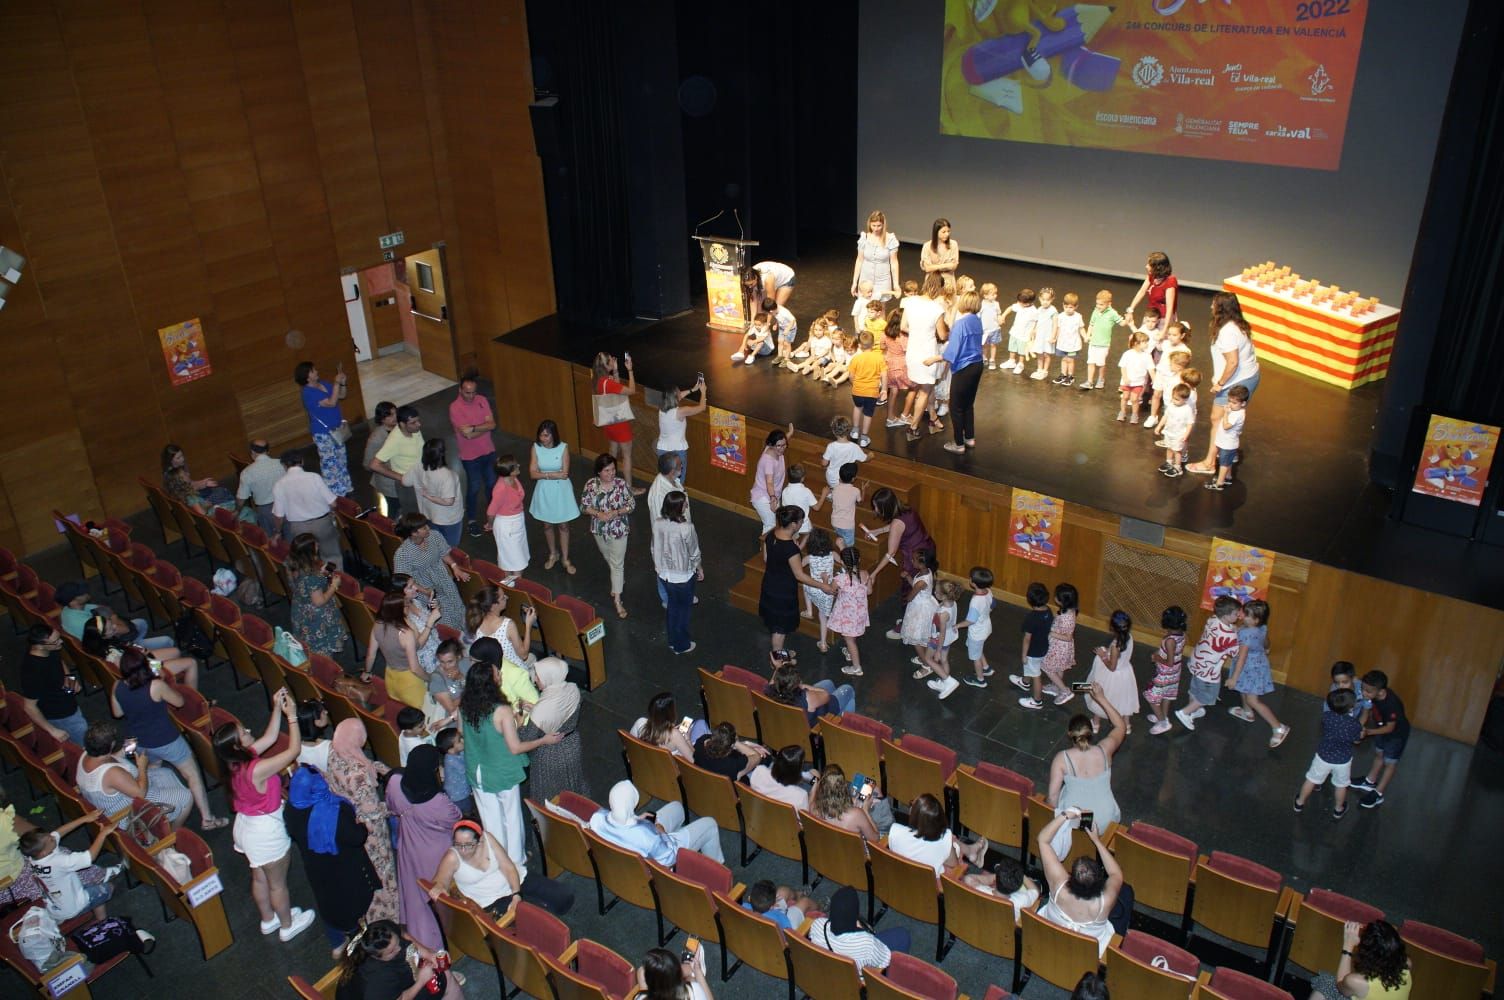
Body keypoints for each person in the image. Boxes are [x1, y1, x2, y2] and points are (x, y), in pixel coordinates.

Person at [213, 687, 317, 942]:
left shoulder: (234, 761)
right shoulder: (255, 768)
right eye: (244, 733)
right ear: (238, 744)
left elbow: (270, 737)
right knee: (277, 883)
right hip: (265, 832)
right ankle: (287, 925)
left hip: (246, 826)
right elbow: (292, 752)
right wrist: (291, 716)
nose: (249, 731)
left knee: (259, 876)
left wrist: (276, 709)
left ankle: (268, 919)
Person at [109, 649, 224, 831]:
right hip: (165, 739)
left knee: (153, 769)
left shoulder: (117, 686)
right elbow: (179, 702)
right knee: (192, 774)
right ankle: (207, 819)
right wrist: (157, 673)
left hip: (138, 742)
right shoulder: (155, 685)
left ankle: (161, 804)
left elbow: (117, 713)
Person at [460, 660, 562, 864]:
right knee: (511, 816)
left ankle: (496, 859)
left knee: (490, 820)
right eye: (498, 674)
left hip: (477, 769)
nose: (501, 676)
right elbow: (515, 747)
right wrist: (543, 740)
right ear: (491, 683)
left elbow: (461, 733)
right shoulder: (501, 710)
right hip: (502, 770)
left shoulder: (465, 706)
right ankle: (516, 860)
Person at [286, 766, 380, 958]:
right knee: (351, 905)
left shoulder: (291, 808)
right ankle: (359, 947)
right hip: (344, 868)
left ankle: (337, 943)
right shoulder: (332, 811)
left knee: (328, 902)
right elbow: (356, 837)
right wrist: (362, 826)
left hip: (316, 868)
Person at [384, 746, 461, 949]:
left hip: (409, 844)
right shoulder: (437, 801)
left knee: (415, 894)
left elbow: (392, 807)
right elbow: (455, 819)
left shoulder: (394, 783)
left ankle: (422, 941)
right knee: (438, 894)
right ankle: (446, 942)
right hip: (435, 850)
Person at [324, 719, 397, 922]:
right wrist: (395, 807)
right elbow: (373, 810)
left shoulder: (335, 751)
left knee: (367, 870)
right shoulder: (358, 774)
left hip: (348, 819)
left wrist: (376, 767)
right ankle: (388, 915)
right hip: (369, 829)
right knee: (381, 869)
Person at [428, 818, 575, 917]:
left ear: (480, 841)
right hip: (492, 899)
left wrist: (516, 894)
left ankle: (537, 906)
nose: (463, 850)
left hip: (516, 881)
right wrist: (439, 886)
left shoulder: (488, 838)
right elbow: (440, 881)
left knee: (565, 897)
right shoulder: (452, 857)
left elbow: (508, 867)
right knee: (542, 918)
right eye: (458, 844)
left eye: (468, 845)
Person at [1189, 291, 1261, 475]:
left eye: (1214, 304)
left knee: (1218, 420)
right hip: (1247, 376)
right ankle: (1228, 451)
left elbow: (1232, 362)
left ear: (1221, 308)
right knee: (1225, 418)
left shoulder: (1228, 331)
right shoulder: (1237, 325)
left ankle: (1209, 463)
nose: (1211, 307)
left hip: (1236, 380)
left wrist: (1220, 383)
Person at [1036, 810, 1125, 956]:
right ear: (1100, 881)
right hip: (1085, 953)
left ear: (1071, 877)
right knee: (1126, 893)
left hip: (1050, 938)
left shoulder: (1058, 884)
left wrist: (1065, 815)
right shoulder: (1106, 900)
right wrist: (1096, 840)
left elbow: (1043, 839)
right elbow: (1116, 874)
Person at [76, 719, 193, 828]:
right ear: (110, 746)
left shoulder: (86, 754)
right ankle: (172, 834)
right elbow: (141, 793)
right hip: (129, 811)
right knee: (186, 797)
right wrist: (141, 767)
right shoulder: (111, 773)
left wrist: (128, 746)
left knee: (166, 772)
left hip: (122, 793)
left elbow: (112, 758)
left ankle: (169, 813)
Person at [588, 778, 725, 864]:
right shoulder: (647, 835)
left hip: (630, 844)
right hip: (665, 850)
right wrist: (660, 831)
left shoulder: (597, 818)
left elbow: (622, 827)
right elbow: (670, 857)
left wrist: (636, 819)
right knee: (710, 824)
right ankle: (715, 869)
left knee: (677, 807)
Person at [760, 506, 837, 654]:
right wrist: (823, 586)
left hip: (769, 584)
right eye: (801, 521)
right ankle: (778, 657)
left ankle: (779, 652)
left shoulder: (771, 535)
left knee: (775, 624)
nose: (802, 523)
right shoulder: (791, 549)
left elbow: (766, 559)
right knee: (780, 629)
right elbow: (799, 575)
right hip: (783, 592)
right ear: (794, 524)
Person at [1047, 691, 1124, 836]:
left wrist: (1053, 825)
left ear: (1070, 735)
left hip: (1076, 821)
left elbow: (1052, 797)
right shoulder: (1104, 750)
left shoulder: (1062, 758)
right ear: (1090, 733)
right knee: (1089, 824)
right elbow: (1120, 727)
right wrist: (1101, 698)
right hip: (1105, 820)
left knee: (1062, 793)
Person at [19, 812, 119, 923]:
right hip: (74, 907)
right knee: (108, 888)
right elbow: (90, 857)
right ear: (44, 852)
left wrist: (85, 818)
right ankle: (99, 918)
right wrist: (103, 834)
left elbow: (58, 833)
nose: (53, 837)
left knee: (93, 885)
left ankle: (101, 919)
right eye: (51, 840)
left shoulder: (34, 857)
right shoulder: (58, 862)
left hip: (56, 905)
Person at [516, 657, 587, 803]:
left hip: (550, 755)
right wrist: (535, 708)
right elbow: (559, 711)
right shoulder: (574, 689)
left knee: (549, 792)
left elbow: (526, 739)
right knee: (572, 783)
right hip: (572, 743)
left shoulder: (542, 710)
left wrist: (520, 723)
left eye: (538, 677)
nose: (535, 679)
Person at [335, 918, 461, 1000]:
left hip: (395, 985)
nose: (400, 949)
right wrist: (421, 981)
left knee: (443, 972)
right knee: (443, 978)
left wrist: (429, 954)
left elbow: (403, 934)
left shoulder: (380, 930)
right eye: (391, 951)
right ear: (376, 956)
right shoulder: (378, 980)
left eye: (397, 943)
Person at [578, 453, 637, 619]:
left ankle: (618, 600)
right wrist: (598, 514)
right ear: (598, 472)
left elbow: (631, 504)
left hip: (618, 528)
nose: (611, 473)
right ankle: (617, 579)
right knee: (608, 557)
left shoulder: (621, 484)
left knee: (617, 563)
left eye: (613, 470)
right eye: (606, 470)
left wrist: (617, 512)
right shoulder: (591, 485)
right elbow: (583, 506)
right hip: (599, 530)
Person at [1225, 599, 1289, 746]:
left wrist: (1234, 678)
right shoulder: (1260, 627)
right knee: (1243, 688)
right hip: (1256, 664)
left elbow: (1242, 657)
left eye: (1246, 615)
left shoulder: (1247, 634)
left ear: (1256, 620)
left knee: (1252, 700)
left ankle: (1278, 727)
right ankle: (1247, 712)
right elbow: (1266, 641)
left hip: (1250, 668)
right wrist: (1267, 648)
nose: (1242, 615)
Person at [392, 512, 470, 630]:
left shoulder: (434, 536)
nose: (428, 528)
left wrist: (455, 567)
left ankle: (464, 635)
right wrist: (426, 591)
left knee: (457, 607)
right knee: (443, 619)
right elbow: (405, 580)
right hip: (425, 590)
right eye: (423, 528)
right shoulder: (402, 554)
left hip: (443, 580)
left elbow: (444, 553)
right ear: (414, 533)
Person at [807, 885, 910, 975]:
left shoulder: (817, 925)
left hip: (831, 973)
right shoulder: (866, 943)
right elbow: (884, 960)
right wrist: (861, 932)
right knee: (902, 936)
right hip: (858, 985)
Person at [1176, 595, 1243, 731]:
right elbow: (1236, 653)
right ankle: (1185, 713)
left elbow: (1226, 628)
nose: (1239, 617)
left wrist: (1233, 628)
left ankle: (1194, 710)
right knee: (1208, 696)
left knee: (1195, 689)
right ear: (1227, 615)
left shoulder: (1212, 619)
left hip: (1197, 661)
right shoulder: (1230, 637)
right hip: (1209, 671)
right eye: (1236, 614)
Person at [1294, 688, 1363, 820]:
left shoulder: (1327, 717)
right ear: (1351, 707)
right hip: (1343, 759)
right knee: (1341, 785)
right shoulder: (1354, 724)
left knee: (1311, 779)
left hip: (1324, 756)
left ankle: (1299, 803)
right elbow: (1356, 739)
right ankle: (1338, 809)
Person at [364, 588, 437, 709]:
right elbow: (414, 668)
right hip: (409, 682)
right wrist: (430, 679)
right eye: (407, 605)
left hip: (390, 677)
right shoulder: (405, 633)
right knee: (422, 713)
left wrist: (366, 672)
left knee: (400, 709)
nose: (409, 607)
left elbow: (371, 655)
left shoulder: (377, 624)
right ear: (400, 610)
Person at [83, 614, 198, 688]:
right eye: (110, 628)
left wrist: (140, 652)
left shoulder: (102, 644)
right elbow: (135, 670)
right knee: (191, 662)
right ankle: (190, 696)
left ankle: (174, 683)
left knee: (176, 652)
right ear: (103, 636)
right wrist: (157, 666)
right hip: (145, 669)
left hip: (140, 660)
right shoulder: (113, 657)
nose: (114, 626)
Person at [271, 451, 343, 569]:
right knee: (332, 556)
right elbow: (333, 503)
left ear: (284, 465)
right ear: (302, 461)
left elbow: (279, 515)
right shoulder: (314, 477)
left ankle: (316, 583)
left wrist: (277, 532)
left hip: (299, 528)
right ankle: (337, 583)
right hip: (322, 523)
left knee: (307, 560)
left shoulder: (279, 485)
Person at [862, 487, 936, 600]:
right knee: (926, 582)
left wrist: (874, 573)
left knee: (910, 588)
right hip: (928, 548)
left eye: (876, 507)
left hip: (915, 557)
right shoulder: (907, 509)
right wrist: (877, 531)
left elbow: (890, 553)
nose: (875, 510)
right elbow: (898, 527)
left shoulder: (897, 523)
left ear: (885, 508)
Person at [652, 490, 703, 656]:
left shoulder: (658, 522)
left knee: (673, 608)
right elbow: (694, 551)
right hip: (683, 575)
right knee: (683, 611)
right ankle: (681, 645)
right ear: (678, 507)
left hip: (664, 574)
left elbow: (654, 547)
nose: (687, 505)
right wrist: (699, 567)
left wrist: (658, 567)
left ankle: (673, 641)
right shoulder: (686, 528)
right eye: (684, 503)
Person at [448, 371, 498, 538]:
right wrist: (483, 426)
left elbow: (492, 424)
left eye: (473, 392)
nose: (471, 396)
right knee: (474, 487)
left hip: (488, 451)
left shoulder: (482, 400)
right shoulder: (455, 408)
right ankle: (471, 520)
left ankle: (492, 516)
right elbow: (466, 435)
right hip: (470, 457)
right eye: (467, 392)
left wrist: (475, 427)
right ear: (460, 390)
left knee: (492, 484)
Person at [900, 273, 950, 440]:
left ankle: (933, 418)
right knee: (925, 391)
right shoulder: (937, 309)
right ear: (939, 287)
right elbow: (942, 335)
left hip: (912, 351)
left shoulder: (910, 302)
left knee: (926, 387)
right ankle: (913, 428)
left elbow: (903, 326)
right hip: (927, 354)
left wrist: (918, 332)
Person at [1351, 670, 1410, 809]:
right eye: (1363, 689)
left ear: (1381, 691)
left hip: (1396, 736)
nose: (1364, 693)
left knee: (1390, 763)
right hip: (1380, 729)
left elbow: (1390, 728)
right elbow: (1367, 710)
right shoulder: (1372, 694)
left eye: (1368, 691)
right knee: (1379, 755)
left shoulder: (1392, 704)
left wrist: (1369, 732)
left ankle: (1378, 793)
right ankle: (1369, 781)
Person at [1309, 920, 1412, 1000]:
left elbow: (1340, 985)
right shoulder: (1406, 963)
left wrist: (1347, 946)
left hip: (1350, 988)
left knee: (1326, 983)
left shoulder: (1357, 981)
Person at [19, 624, 88, 744]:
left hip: (67, 701)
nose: (61, 642)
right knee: (85, 743)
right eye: (56, 641)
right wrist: (52, 730)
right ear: (40, 646)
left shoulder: (50, 649)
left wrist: (70, 679)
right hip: (60, 714)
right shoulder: (33, 672)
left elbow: (59, 661)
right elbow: (29, 706)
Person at [528, 419, 581, 573]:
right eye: (541, 435)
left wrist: (543, 474)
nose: (542, 439)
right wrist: (552, 474)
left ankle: (565, 558)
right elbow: (532, 473)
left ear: (553, 435)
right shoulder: (535, 448)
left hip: (561, 492)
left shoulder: (563, 448)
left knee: (563, 525)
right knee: (547, 525)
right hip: (544, 490)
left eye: (546, 436)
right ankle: (553, 553)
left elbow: (564, 474)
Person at [889, 792, 987, 875]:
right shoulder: (944, 840)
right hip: (931, 883)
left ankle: (971, 852)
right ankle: (971, 852)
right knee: (951, 842)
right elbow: (954, 865)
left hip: (905, 878)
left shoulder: (895, 832)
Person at [55, 581, 168, 651]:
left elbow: (103, 608)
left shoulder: (68, 609)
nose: (86, 592)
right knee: (167, 641)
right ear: (73, 601)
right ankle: (139, 649)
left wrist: (111, 618)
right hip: (120, 650)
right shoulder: (87, 624)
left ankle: (138, 645)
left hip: (110, 642)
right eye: (81, 593)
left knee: (141, 623)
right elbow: (124, 629)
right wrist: (112, 617)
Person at [295, 360, 352, 496]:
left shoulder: (325, 384)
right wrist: (337, 383)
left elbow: (341, 395)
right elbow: (332, 403)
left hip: (336, 429)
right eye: (313, 370)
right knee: (330, 463)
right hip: (323, 433)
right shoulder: (308, 392)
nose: (317, 371)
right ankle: (334, 493)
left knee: (341, 459)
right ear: (307, 376)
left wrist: (342, 382)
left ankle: (345, 486)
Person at [467, 591, 540, 696]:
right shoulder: (507, 625)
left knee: (532, 658)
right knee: (531, 658)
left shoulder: (476, 622)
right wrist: (528, 625)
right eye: (502, 598)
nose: (507, 597)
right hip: (514, 670)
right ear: (494, 606)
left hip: (492, 674)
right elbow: (523, 655)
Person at [592, 352, 644, 493]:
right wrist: (630, 370)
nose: (613, 361)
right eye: (610, 361)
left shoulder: (599, 380)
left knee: (612, 451)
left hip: (609, 421)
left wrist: (615, 371)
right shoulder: (607, 382)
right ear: (606, 364)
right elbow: (631, 390)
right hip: (619, 422)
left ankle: (608, 481)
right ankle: (629, 488)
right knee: (626, 456)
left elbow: (616, 388)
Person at [288, 532, 346, 656]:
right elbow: (319, 601)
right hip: (316, 619)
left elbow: (305, 586)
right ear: (310, 551)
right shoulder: (312, 576)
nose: (318, 545)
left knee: (309, 648)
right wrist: (334, 585)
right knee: (322, 652)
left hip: (301, 609)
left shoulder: (294, 565)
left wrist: (321, 574)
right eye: (315, 545)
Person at [940, 290, 984, 452]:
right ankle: (969, 438)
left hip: (964, 368)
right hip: (977, 365)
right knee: (968, 404)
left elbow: (952, 351)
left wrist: (935, 359)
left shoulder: (961, 324)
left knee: (956, 406)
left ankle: (958, 444)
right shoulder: (977, 320)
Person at [1085, 610, 1140, 733]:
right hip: (1126, 672)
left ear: (1112, 627)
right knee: (1124, 698)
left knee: (1101, 697)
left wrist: (1103, 654)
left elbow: (1112, 667)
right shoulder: (1129, 637)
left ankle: (1095, 723)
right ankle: (1126, 725)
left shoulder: (1116, 646)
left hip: (1111, 675)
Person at [807, 764, 893, 839]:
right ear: (844, 786)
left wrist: (816, 783)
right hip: (856, 853)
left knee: (866, 794)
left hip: (831, 847)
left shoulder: (813, 808)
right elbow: (876, 838)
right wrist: (865, 810)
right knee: (877, 793)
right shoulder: (857, 814)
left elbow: (812, 794)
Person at [404, 437, 463, 546]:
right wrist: (428, 496)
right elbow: (448, 501)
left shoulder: (418, 467)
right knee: (451, 547)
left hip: (428, 514)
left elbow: (405, 481)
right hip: (448, 518)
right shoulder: (447, 475)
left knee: (435, 544)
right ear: (442, 454)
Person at [369, 404, 425, 516]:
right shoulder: (394, 440)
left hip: (421, 479)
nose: (418, 424)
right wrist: (401, 477)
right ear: (402, 424)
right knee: (414, 517)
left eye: (418, 420)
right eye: (413, 423)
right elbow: (374, 465)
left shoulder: (414, 430)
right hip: (408, 487)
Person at [766, 657, 856, 723]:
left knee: (828, 683)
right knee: (849, 690)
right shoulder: (806, 698)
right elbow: (826, 695)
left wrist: (779, 667)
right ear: (796, 684)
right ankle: (841, 724)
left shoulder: (770, 690)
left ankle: (844, 716)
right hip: (823, 713)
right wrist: (802, 686)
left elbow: (773, 682)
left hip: (791, 719)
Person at [162, 444, 243, 516]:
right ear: (170, 460)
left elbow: (190, 483)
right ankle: (233, 512)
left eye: (182, 455)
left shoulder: (180, 467)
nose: (182, 459)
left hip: (192, 495)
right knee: (222, 492)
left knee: (221, 490)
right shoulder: (172, 475)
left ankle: (232, 510)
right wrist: (202, 485)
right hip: (192, 498)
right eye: (178, 458)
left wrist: (203, 482)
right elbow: (184, 491)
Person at [1145, 606, 1189, 736]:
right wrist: (1160, 653)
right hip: (1175, 673)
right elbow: (1174, 654)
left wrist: (1157, 657)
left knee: (1151, 697)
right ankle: (1163, 716)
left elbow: (1169, 662)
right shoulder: (1181, 635)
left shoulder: (1170, 640)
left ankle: (1163, 722)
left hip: (1165, 673)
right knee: (1167, 695)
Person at [1012, 582, 1056, 711]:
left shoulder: (1031, 618)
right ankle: (1025, 682)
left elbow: (1027, 639)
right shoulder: (1048, 610)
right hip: (1044, 646)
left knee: (1036, 674)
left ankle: (1037, 701)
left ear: (1029, 600)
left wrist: (1024, 655)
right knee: (1031, 668)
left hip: (1033, 651)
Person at [487, 454, 529, 583]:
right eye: (516, 466)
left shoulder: (513, 479)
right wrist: (490, 525)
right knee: (513, 561)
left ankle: (511, 587)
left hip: (516, 522)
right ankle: (512, 588)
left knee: (515, 558)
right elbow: (491, 511)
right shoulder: (500, 489)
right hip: (506, 526)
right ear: (510, 472)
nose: (519, 466)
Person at [656, 377, 707, 483]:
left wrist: (693, 389)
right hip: (677, 452)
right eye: (679, 392)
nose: (680, 393)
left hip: (662, 450)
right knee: (678, 482)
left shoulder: (661, 408)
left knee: (665, 481)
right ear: (675, 397)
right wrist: (703, 392)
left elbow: (677, 397)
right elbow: (702, 407)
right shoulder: (681, 411)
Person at [749, 426, 794, 537]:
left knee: (774, 524)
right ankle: (766, 552)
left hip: (771, 496)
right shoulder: (768, 461)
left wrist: (790, 433)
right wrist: (773, 498)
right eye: (778, 446)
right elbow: (769, 482)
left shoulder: (775, 449)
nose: (782, 448)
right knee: (770, 526)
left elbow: (783, 440)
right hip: (763, 498)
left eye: (784, 445)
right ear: (771, 445)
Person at [956, 566, 995, 689]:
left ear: (973, 583)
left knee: (975, 657)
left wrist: (956, 625)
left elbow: (970, 621)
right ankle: (986, 668)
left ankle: (980, 680)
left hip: (977, 633)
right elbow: (993, 604)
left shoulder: (975, 602)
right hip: (986, 627)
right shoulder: (988, 591)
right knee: (977, 649)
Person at [1206, 384, 1250, 491]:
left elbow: (1226, 426)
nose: (1230, 404)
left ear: (1243, 403)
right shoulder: (1236, 411)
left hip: (1228, 444)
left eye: (1234, 403)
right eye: (1229, 401)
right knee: (1228, 462)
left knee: (1223, 464)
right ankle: (1228, 477)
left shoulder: (1236, 414)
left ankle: (1219, 483)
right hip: (1226, 442)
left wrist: (1225, 413)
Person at [236, 439, 284, 535]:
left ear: (252, 452)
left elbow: (241, 498)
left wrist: (237, 511)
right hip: (287, 505)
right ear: (268, 451)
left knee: (272, 541)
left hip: (266, 511)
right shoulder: (282, 463)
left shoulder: (247, 472)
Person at [1080, 289, 1125, 391]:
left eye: (1101, 305)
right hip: (1093, 342)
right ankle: (1090, 381)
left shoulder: (1112, 313)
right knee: (1090, 362)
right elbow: (1091, 324)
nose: (1098, 306)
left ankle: (1101, 379)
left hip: (1103, 344)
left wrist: (1128, 319)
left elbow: (1122, 323)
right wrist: (1087, 335)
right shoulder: (1095, 311)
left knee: (1100, 364)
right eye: (1097, 304)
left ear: (1109, 304)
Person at [363, 402, 402, 518]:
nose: (394, 417)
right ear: (382, 418)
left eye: (395, 413)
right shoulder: (376, 438)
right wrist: (383, 465)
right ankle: (391, 532)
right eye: (389, 415)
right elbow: (367, 463)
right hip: (388, 482)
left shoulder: (400, 427)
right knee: (394, 508)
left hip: (401, 476)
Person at [1124, 250, 1180, 330]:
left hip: (1164, 319)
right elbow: (1141, 292)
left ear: (1157, 267)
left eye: (1149, 264)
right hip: (1151, 315)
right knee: (1143, 339)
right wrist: (1130, 310)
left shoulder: (1170, 281)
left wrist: (1164, 331)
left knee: (1158, 341)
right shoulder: (1152, 275)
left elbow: (1169, 308)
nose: (1146, 266)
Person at [637, 944, 716, 1000]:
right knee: (692, 979)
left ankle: (689, 968)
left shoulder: (640, 997)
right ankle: (693, 969)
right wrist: (698, 971)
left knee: (640, 972)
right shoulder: (694, 991)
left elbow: (642, 973)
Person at [692, 722, 767, 780]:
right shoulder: (733, 763)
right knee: (766, 765)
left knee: (700, 723)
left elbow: (710, 739)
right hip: (729, 791)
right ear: (731, 746)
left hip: (705, 781)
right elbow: (756, 756)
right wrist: (736, 742)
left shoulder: (701, 743)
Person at [851, 209, 900, 298]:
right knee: (865, 307)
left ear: (883, 225)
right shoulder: (864, 238)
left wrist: (896, 284)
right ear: (869, 224)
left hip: (883, 279)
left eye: (879, 226)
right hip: (865, 279)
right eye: (873, 225)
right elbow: (859, 260)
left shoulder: (890, 239)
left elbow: (894, 263)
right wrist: (854, 282)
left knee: (880, 308)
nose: (876, 228)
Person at [1156, 384, 1196, 478]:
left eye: (1177, 399)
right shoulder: (1171, 405)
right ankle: (1169, 462)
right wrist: (1159, 426)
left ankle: (1178, 467)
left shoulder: (1187, 409)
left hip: (1179, 434)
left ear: (1185, 399)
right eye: (1173, 398)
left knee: (1177, 451)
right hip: (1169, 432)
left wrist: (1186, 435)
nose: (1174, 400)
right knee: (1169, 448)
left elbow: (1190, 423)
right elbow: (1165, 417)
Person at [996, 288, 1038, 375]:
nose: (1019, 303)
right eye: (1019, 301)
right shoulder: (1019, 305)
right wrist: (1003, 316)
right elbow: (1010, 308)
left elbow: (1036, 321)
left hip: (1024, 335)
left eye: (1021, 302)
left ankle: (1020, 364)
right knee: (1012, 347)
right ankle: (1011, 361)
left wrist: (1034, 330)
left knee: (1022, 351)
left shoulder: (1033, 311)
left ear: (1029, 303)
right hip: (1015, 331)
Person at [822, 416, 868, 491]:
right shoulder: (854, 447)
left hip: (831, 479)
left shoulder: (831, 446)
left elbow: (824, 463)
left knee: (833, 483)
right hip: (845, 480)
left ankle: (833, 490)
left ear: (834, 432)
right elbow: (864, 459)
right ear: (849, 431)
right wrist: (870, 456)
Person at [1116, 331, 1153, 424]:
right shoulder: (1127, 354)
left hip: (1138, 382)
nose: (1147, 344)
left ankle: (1134, 414)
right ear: (1137, 343)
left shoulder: (1147, 356)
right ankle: (1122, 412)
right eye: (1144, 342)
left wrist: (1155, 380)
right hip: (1127, 382)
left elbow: (1151, 369)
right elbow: (1123, 366)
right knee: (1125, 397)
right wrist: (1125, 378)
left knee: (1134, 399)